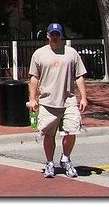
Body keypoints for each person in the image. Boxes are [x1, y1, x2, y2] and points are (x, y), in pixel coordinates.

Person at [28, 22, 88, 179]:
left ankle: (66, 158)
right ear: (47, 35)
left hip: (68, 100)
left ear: (62, 35)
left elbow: (79, 76)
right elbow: (34, 77)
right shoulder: (39, 54)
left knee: (72, 130)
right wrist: (32, 99)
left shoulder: (71, 53)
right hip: (48, 102)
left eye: (57, 34)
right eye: (52, 34)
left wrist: (84, 97)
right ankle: (49, 163)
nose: (55, 37)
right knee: (49, 135)